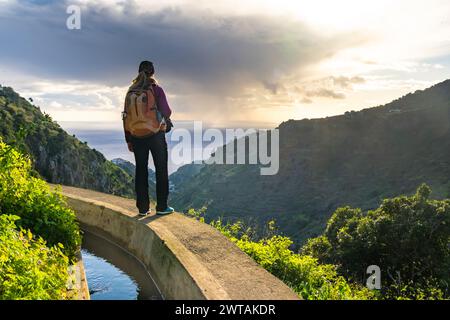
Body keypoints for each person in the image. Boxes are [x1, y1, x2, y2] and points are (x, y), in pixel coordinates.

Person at [123, 60, 174, 216]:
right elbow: (167, 111)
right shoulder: (156, 89)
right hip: (155, 135)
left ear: (138, 72)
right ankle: (162, 207)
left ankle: (143, 208)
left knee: (141, 171)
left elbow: (126, 117)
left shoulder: (130, 92)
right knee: (161, 169)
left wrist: (129, 140)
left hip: (137, 137)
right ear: (152, 73)